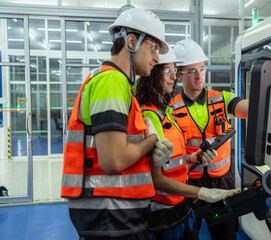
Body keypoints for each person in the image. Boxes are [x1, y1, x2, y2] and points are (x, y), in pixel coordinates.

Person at [60, 8, 174, 240]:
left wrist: (152, 152)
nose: (156, 58)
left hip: (115, 215)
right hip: (111, 215)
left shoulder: (121, 85)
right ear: (131, 41)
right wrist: (152, 140)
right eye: (153, 47)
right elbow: (114, 160)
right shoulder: (111, 81)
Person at [136, 44, 241, 240]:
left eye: (202, 69)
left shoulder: (167, 110)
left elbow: (174, 158)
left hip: (208, 184)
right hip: (175, 198)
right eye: (169, 71)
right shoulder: (161, 111)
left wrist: (193, 156)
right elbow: (157, 174)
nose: (173, 77)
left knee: (225, 234)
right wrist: (201, 192)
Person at [169, 39, 249, 240]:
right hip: (190, 185)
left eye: (202, 69)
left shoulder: (222, 98)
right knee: (187, 235)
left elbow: (246, 109)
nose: (199, 76)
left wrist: (263, 102)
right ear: (179, 75)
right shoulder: (171, 108)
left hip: (222, 182)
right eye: (192, 71)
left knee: (225, 235)